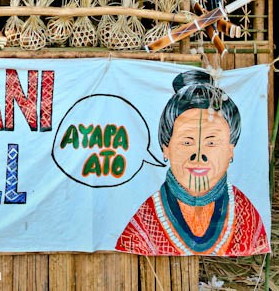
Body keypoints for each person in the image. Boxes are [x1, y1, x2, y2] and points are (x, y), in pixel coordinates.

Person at [115, 70, 269, 256]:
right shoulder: (144, 221)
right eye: (187, 142)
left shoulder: (246, 216)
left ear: (231, 150)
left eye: (211, 143)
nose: (199, 155)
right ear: (166, 148)